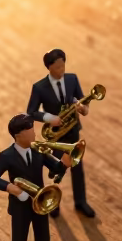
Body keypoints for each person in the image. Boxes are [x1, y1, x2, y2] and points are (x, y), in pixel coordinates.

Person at [0, 113, 69, 241]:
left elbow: (55, 168)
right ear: (18, 135)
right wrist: (12, 188)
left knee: (43, 238)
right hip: (20, 206)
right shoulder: (6, 156)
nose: (34, 134)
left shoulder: (38, 150)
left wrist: (66, 161)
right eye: (30, 130)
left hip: (41, 203)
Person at [25, 48, 96, 218]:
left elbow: (81, 99)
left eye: (63, 65)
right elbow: (31, 112)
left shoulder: (72, 79)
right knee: (57, 169)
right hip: (56, 134)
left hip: (72, 131)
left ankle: (81, 201)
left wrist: (83, 107)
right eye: (57, 67)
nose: (61, 70)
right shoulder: (39, 87)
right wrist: (50, 118)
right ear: (49, 67)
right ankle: (53, 201)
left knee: (77, 168)